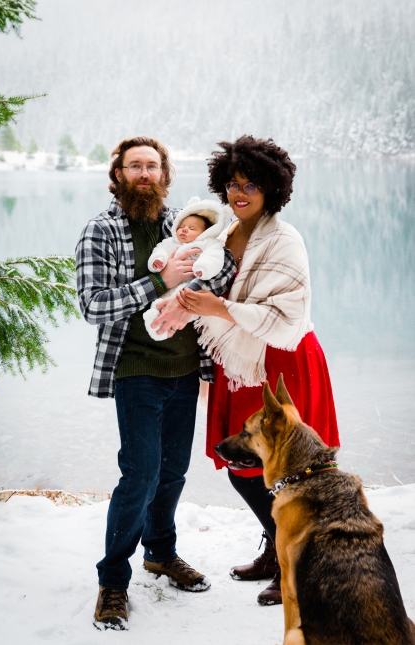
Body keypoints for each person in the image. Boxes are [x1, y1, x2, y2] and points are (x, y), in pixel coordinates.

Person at [75, 136, 237, 630]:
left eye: (152, 166)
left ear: (164, 175)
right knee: (139, 473)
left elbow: (222, 267)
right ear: (118, 175)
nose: (144, 174)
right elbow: (93, 305)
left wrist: (200, 275)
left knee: (173, 471)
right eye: (134, 167)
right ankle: (113, 582)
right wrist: (158, 284)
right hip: (136, 369)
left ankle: (160, 554)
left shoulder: (185, 227)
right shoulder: (99, 231)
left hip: (187, 368)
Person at [175, 135, 340, 606]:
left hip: (283, 362)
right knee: (242, 464)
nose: (238, 193)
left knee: (291, 468)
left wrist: (218, 307)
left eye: (249, 184)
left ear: (272, 188)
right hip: (238, 361)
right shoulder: (221, 233)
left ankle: (296, 563)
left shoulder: (286, 240)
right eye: (230, 184)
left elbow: (287, 315)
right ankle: (276, 546)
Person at [142, 196, 231, 340]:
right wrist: (158, 261)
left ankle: (165, 326)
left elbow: (214, 257)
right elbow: (160, 250)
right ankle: (155, 323)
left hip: (189, 285)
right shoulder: (171, 242)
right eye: (182, 226)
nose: (184, 230)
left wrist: (204, 268)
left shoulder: (207, 244)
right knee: (160, 303)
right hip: (166, 289)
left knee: (183, 294)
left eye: (191, 228)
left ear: (205, 233)